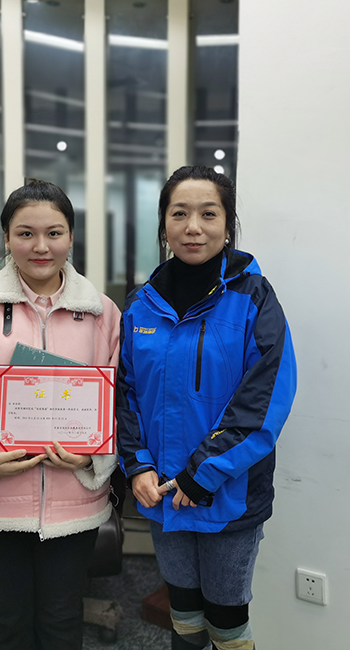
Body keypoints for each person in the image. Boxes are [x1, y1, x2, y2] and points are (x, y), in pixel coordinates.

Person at [0, 179, 121, 650]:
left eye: (54, 233)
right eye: (25, 233)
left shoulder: (102, 313)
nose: (41, 246)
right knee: (5, 624)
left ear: (71, 237)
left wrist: (93, 454)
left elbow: (120, 400)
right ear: (7, 239)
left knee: (61, 622)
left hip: (74, 501)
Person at [117, 166, 297, 650]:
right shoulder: (140, 306)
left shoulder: (254, 298)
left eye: (208, 214)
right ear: (164, 226)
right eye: (179, 214)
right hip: (161, 492)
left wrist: (202, 473)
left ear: (228, 224)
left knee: (227, 621)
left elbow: (264, 401)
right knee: (184, 615)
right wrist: (137, 465)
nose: (193, 227)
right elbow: (125, 393)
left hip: (227, 493)